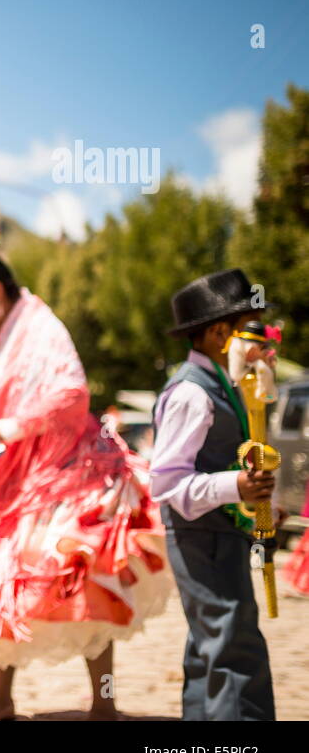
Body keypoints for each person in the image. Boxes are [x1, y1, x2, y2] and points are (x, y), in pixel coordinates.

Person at [0, 227, 170, 720]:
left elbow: (71, 395)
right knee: (1, 580)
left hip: (65, 470)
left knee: (84, 576)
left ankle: (103, 703)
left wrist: (7, 427)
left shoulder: (40, 326)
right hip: (10, 477)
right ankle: (2, 697)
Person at [150, 272, 276, 720]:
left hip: (220, 532)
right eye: (254, 331)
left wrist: (257, 501)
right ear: (219, 333)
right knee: (233, 643)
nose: (264, 343)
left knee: (212, 647)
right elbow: (165, 484)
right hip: (199, 535)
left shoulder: (226, 387)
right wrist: (235, 486)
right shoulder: (191, 393)